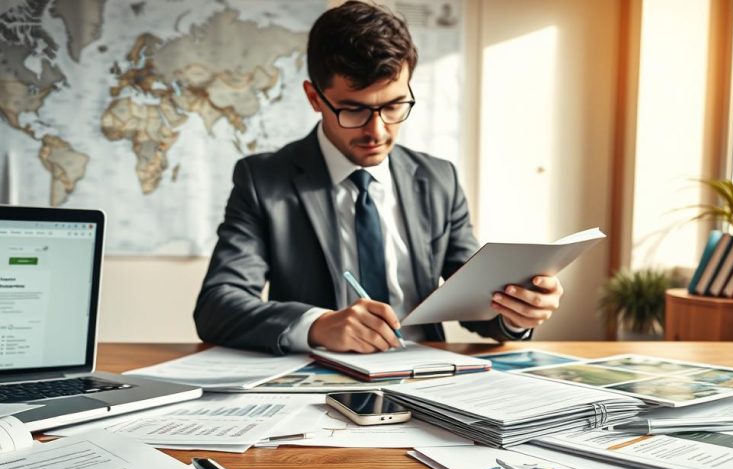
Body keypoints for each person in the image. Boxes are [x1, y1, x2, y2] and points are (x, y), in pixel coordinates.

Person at [194, 0, 563, 355]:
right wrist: (317, 325)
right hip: (320, 379)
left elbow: (476, 301)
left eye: (393, 106)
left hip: (427, 372)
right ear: (314, 97)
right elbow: (217, 304)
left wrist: (517, 312)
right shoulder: (262, 181)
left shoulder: (439, 180)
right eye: (354, 110)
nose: (377, 131)